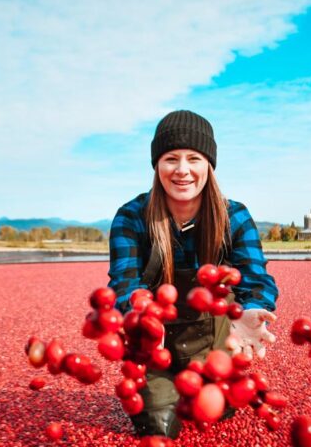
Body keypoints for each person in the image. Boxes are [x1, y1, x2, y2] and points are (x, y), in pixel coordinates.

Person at [107, 110, 279, 439]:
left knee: (217, 411)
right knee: (157, 425)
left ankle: (205, 384)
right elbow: (124, 285)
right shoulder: (132, 218)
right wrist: (140, 317)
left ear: (209, 165)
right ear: (157, 165)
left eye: (194, 158)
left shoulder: (234, 216)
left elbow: (256, 279)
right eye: (171, 158)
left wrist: (253, 309)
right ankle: (161, 390)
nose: (182, 170)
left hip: (213, 346)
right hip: (156, 349)